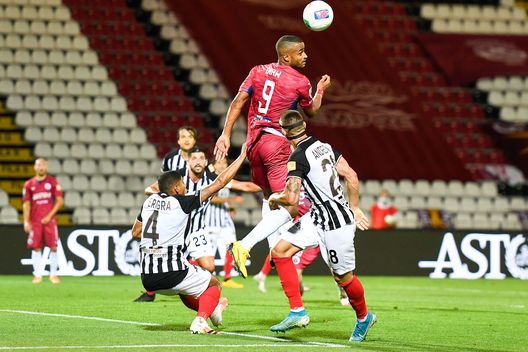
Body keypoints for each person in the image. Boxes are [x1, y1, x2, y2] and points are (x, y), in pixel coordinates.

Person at [214, 34, 331, 278]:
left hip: (252, 145)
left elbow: (238, 101)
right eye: (300, 52)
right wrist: (319, 91)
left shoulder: (257, 71)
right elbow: (312, 111)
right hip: (276, 145)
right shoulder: (300, 81)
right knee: (291, 205)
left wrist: (225, 134)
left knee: (270, 198)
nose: (305, 55)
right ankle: (246, 247)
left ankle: (273, 252)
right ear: (286, 56)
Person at [266, 110, 376, 342]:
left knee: (343, 278)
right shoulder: (324, 146)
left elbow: (292, 199)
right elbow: (351, 175)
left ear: (284, 132)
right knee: (280, 251)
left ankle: (364, 317)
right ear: (304, 125)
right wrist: (355, 207)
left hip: (336, 225)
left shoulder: (297, 157)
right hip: (318, 217)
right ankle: (297, 311)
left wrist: (275, 198)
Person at [131, 144, 247, 334]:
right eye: (183, 184)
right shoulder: (182, 202)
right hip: (172, 272)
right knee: (214, 283)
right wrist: (242, 157)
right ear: (176, 187)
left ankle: (213, 309)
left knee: (186, 287)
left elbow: (135, 233)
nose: (186, 186)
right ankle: (201, 320)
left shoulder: (148, 202)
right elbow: (219, 183)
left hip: (147, 278)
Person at [206, 157, 261, 289]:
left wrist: (230, 205)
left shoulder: (226, 180)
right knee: (206, 251)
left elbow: (244, 186)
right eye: (219, 162)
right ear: (213, 165)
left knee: (231, 246)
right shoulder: (209, 179)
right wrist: (231, 199)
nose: (223, 165)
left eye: (224, 163)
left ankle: (227, 278)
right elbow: (210, 198)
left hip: (225, 219)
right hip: (210, 221)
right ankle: (203, 279)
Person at [22, 158, 64, 284]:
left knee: (54, 246)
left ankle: (53, 274)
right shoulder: (29, 184)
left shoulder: (52, 182)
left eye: (43, 165)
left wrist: (49, 216)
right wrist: (26, 221)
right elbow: (26, 204)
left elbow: (60, 201)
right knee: (36, 248)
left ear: (46, 167)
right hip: (35, 221)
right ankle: (37, 275)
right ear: (35, 167)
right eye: (39, 165)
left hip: (50, 221)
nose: (41, 167)